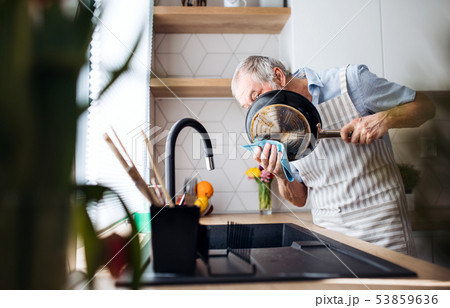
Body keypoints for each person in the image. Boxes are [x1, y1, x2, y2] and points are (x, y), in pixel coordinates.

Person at [232, 56, 435, 255]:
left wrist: (383, 119)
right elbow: (299, 198)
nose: (257, 111)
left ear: (278, 76)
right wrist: (280, 175)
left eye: (256, 97)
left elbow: (425, 107)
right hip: (330, 237)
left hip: (383, 228)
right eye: (248, 108)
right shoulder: (277, 133)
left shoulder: (351, 81)